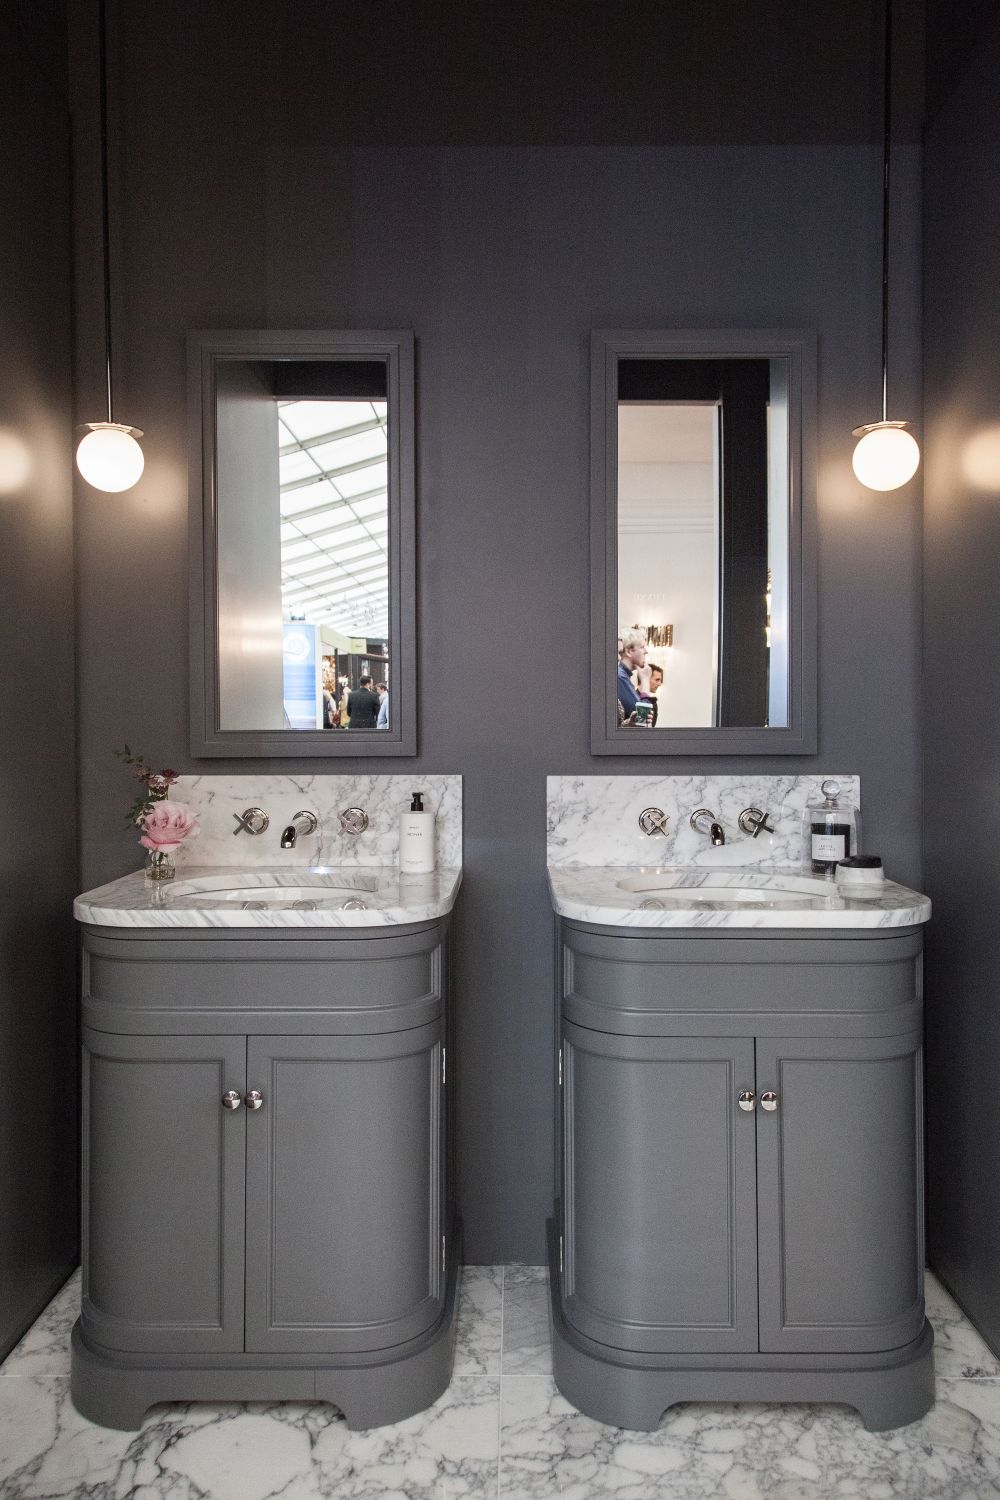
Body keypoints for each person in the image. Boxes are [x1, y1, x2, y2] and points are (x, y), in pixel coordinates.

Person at [617, 629, 654, 726]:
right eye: (642, 647)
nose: (646, 651)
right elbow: (642, 718)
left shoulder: (623, 675)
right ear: (629, 651)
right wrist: (645, 681)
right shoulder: (619, 676)